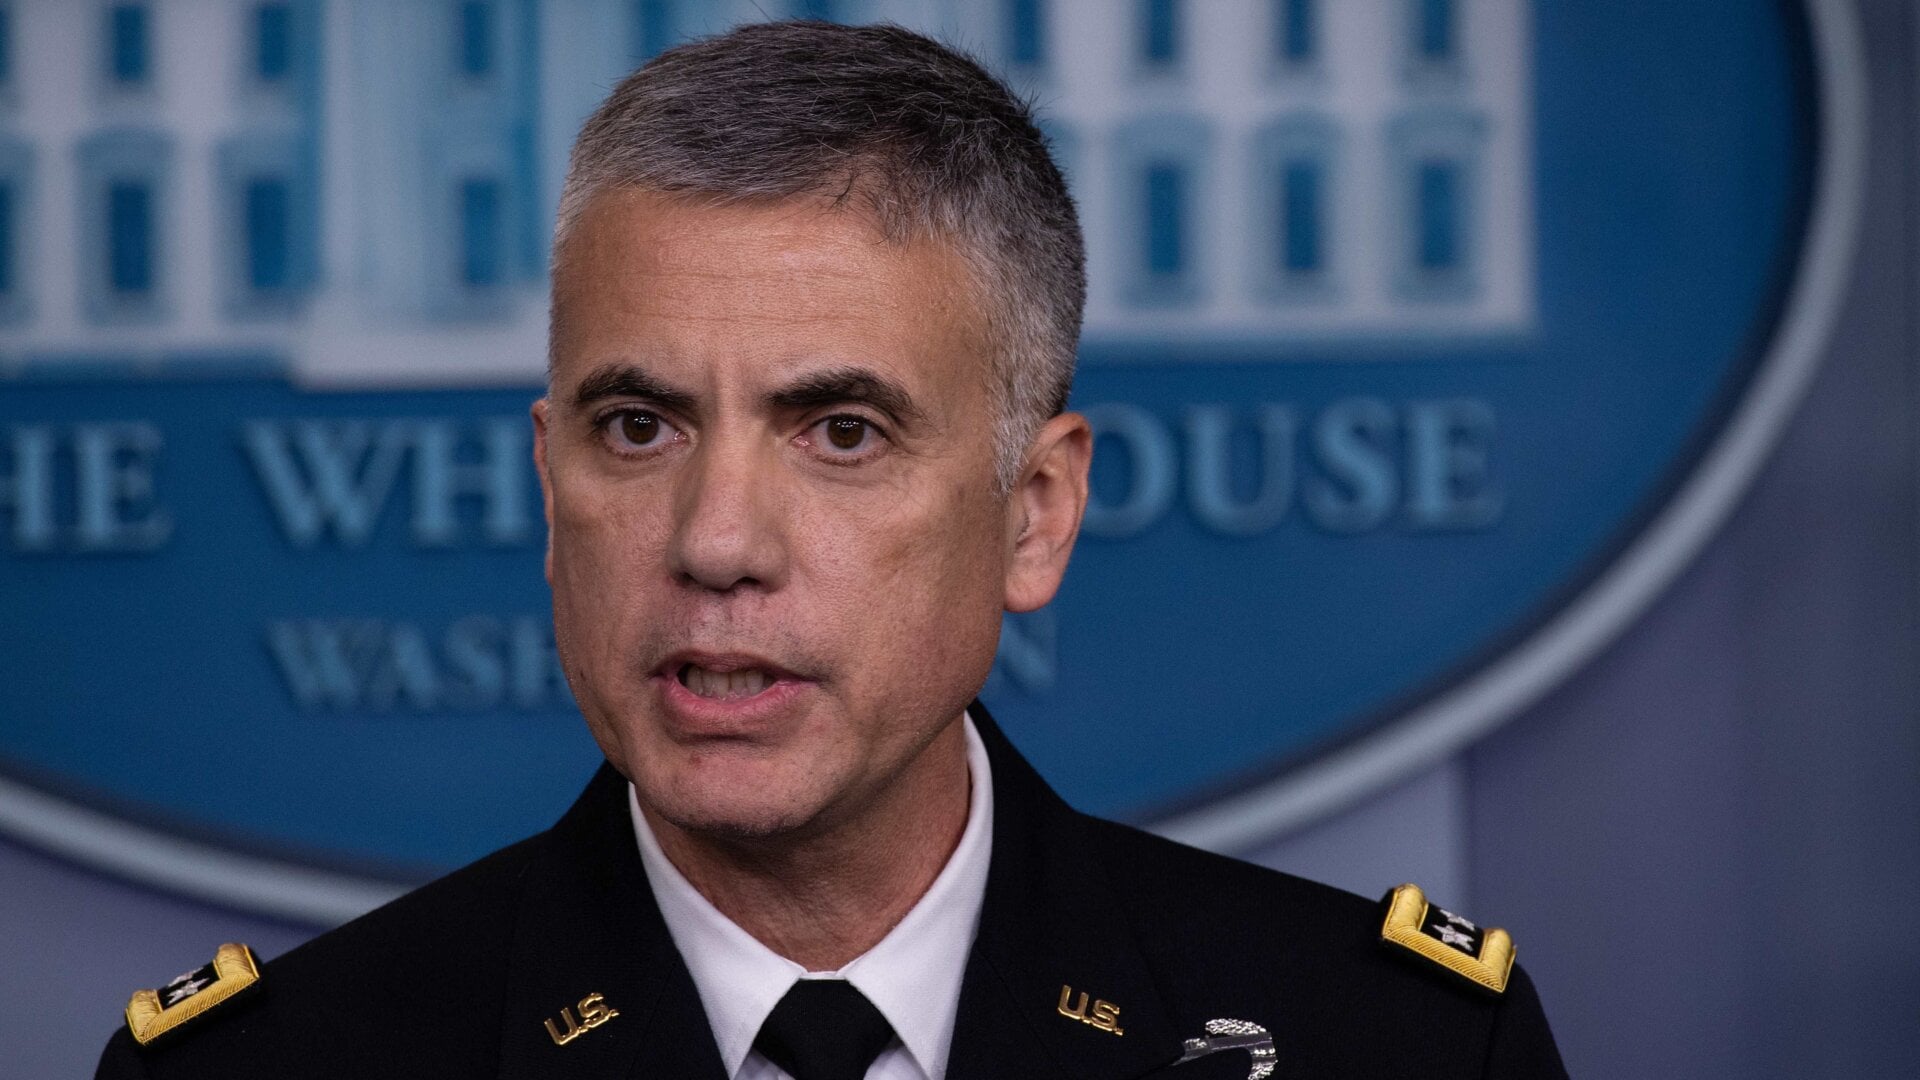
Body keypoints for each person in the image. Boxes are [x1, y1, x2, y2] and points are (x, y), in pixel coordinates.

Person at [97, 21, 1567, 1079]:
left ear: (1035, 513)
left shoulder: (1399, 1046)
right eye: (637, 428)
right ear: (549, 490)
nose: (716, 542)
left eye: (841, 432)